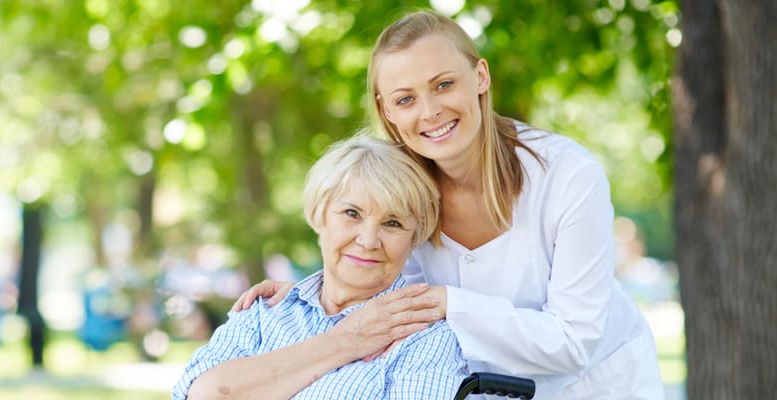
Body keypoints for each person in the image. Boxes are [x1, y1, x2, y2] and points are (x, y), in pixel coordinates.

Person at [232, 10, 662, 398]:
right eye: (406, 99)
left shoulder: (567, 176)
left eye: (444, 85)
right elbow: (381, 281)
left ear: (480, 77)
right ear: (386, 110)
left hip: (597, 388)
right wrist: (322, 290)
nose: (430, 111)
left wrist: (447, 303)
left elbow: (574, 341)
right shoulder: (398, 191)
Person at [173, 135, 467, 399]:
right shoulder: (264, 312)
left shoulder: (424, 338)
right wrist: (345, 341)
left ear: (414, 237)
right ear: (319, 215)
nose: (368, 240)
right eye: (352, 213)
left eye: (393, 223)